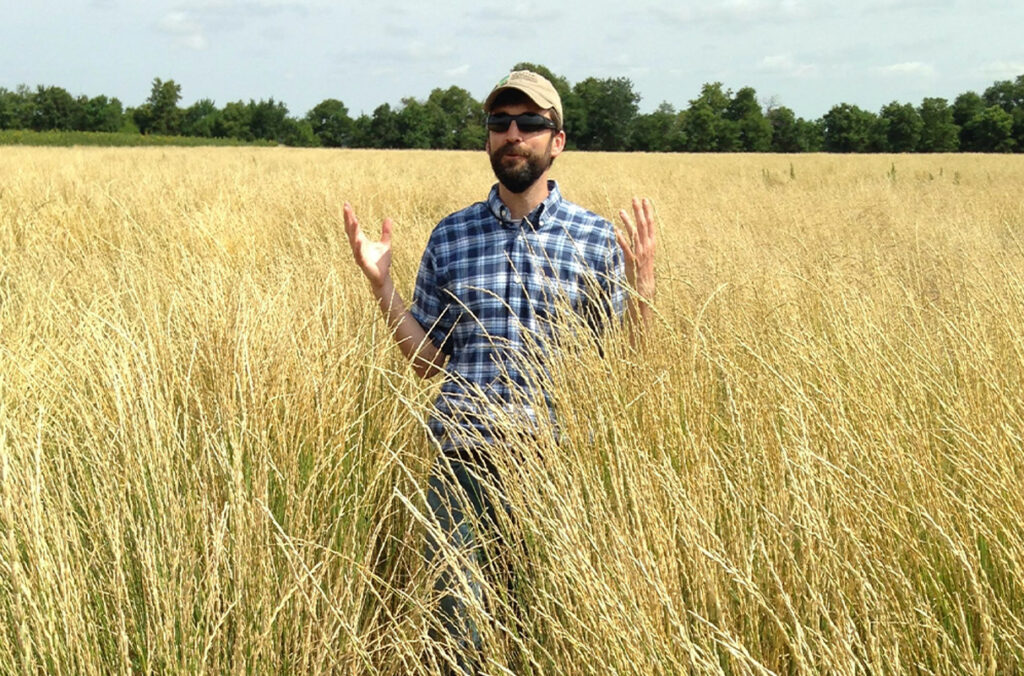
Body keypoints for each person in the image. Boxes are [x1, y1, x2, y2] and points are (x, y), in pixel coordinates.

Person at [343, 69, 656, 673]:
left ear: (556, 140)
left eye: (530, 123)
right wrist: (382, 287)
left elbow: (623, 367)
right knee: (457, 628)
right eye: (500, 124)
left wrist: (641, 288)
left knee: (545, 627)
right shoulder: (451, 235)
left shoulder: (594, 240)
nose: (513, 135)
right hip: (463, 461)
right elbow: (429, 362)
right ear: (488, 139)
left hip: (556, 460)